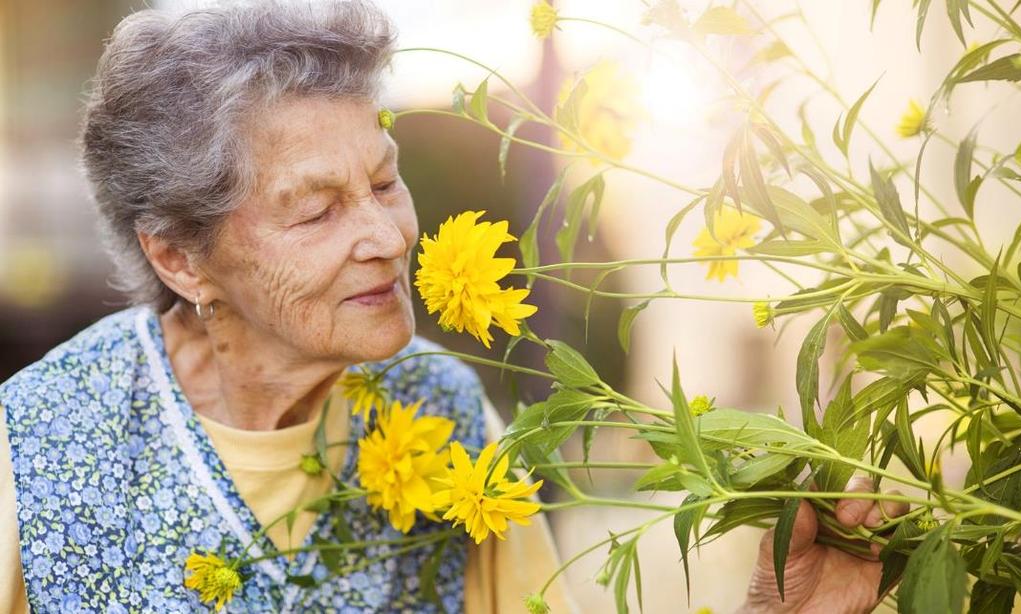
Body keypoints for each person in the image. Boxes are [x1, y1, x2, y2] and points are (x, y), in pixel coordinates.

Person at [0, 1, 902, 611]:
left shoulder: (448, 409)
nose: (391, 237)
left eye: (385, 182)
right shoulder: (35, 447)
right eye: (315, 210)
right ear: (177, 256)